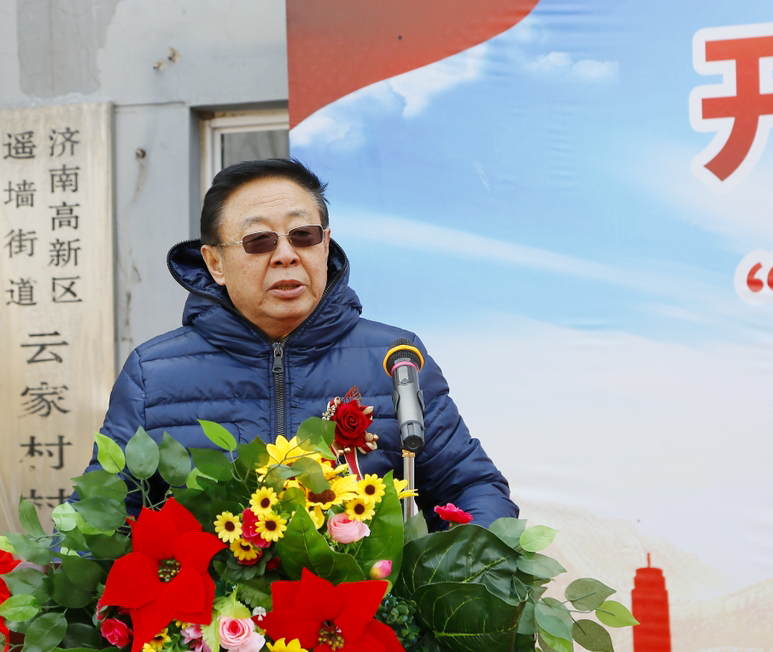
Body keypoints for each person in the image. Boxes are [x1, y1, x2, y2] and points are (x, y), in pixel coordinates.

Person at [84, 158, 517, 529]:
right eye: (259, 241)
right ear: (215, 262)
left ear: (325, 245)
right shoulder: (153, 374)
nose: (286, 255)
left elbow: (473, 489)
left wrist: (452, 579)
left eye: (303, 235)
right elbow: (98, 517)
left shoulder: (394, 360)